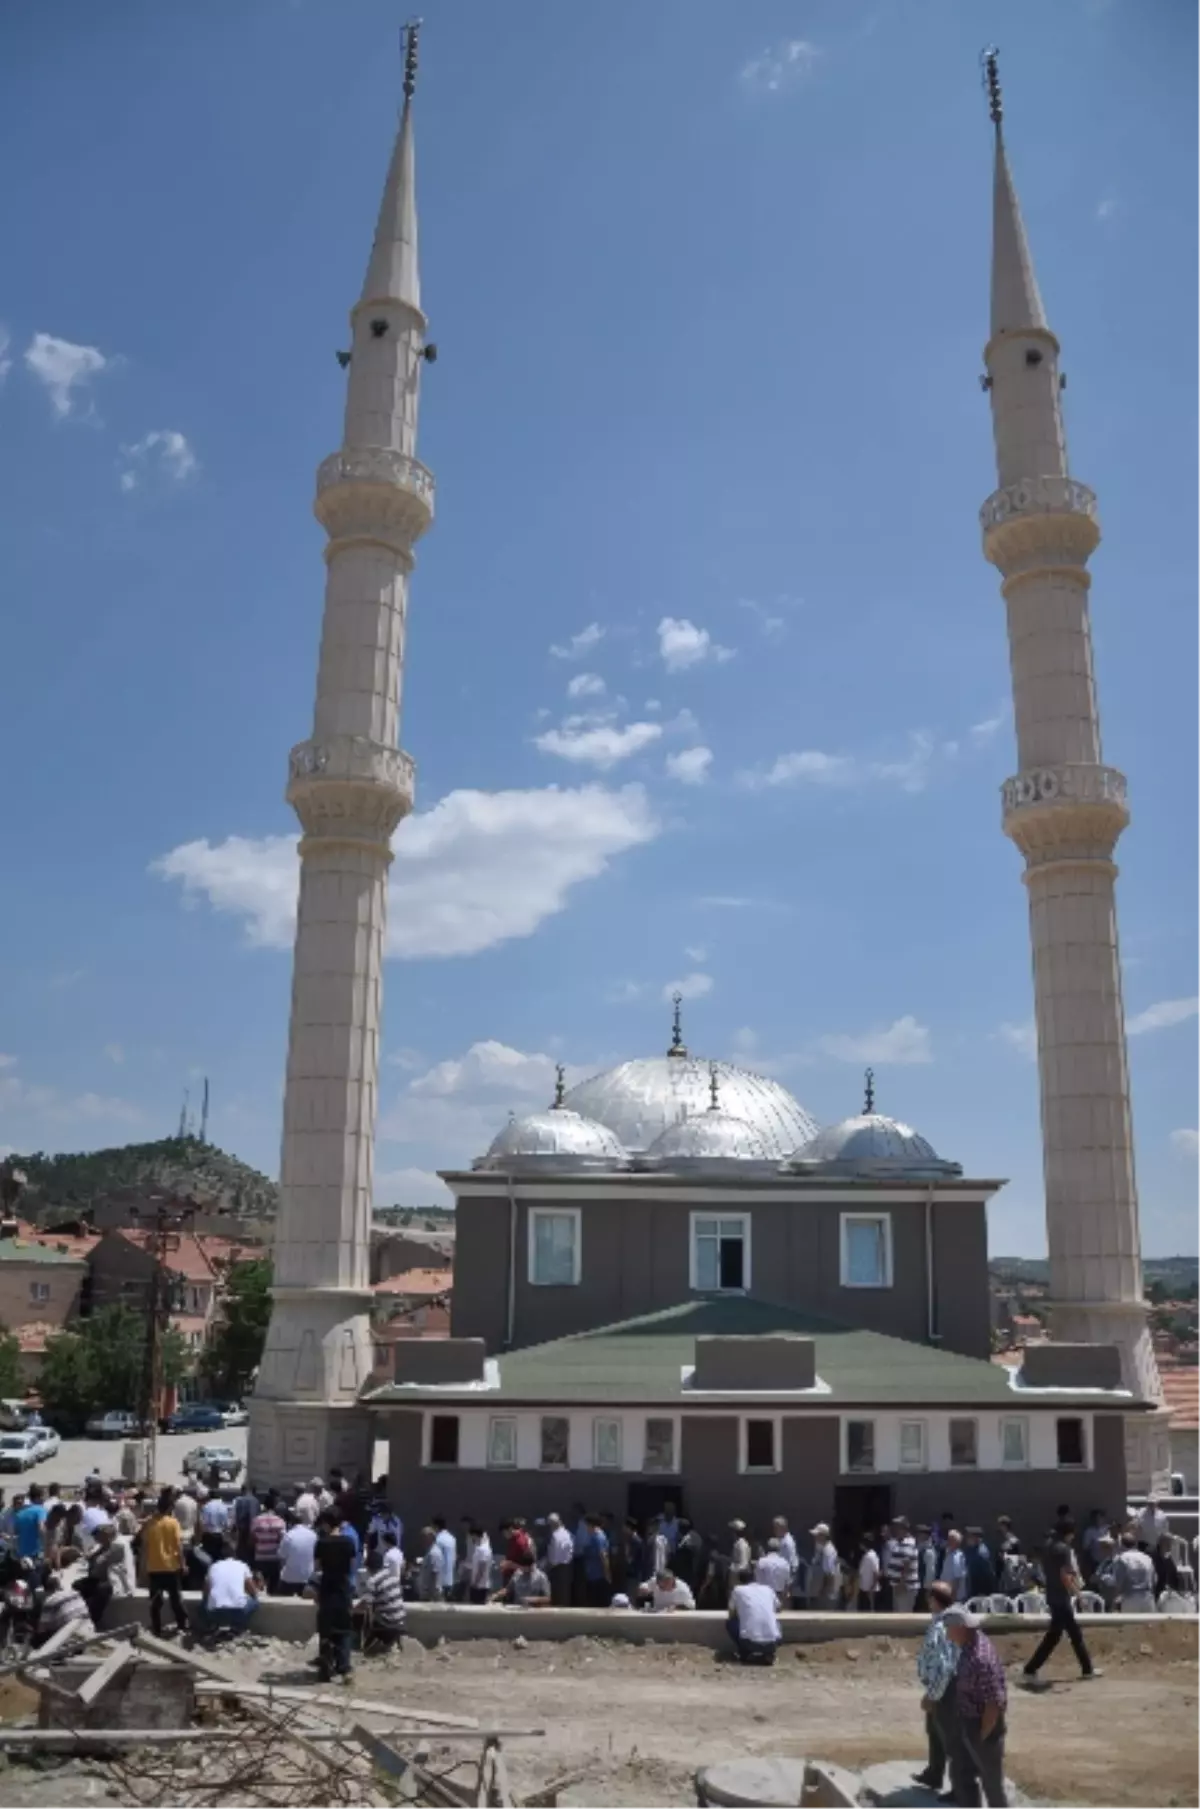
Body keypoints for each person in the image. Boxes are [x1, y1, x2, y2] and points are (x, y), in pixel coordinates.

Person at [943, 1606, 1008, 1809]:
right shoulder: (971, 1643)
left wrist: (981, 1736)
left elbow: (993, 1704)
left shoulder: (980, 1659)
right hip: (969, 1720)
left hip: (982, 1727)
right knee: (961, 1773)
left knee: (991, 1783)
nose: (945, 1632)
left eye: (948, 1628)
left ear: (960, 1628)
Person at [1022, 1519, 1097, 1683]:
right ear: (1068, 1533)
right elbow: (1065, 1575)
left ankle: (1087, 1668)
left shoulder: (1048, 1546)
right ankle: (1030, 1669)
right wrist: (1078, 1595)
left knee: (1063, 1634)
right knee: (1064, 1635)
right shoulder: (1063, 1549)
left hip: (1052, 1595)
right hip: (1062, 1597)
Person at [914, 1581, 959, 1799]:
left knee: (950, 1738)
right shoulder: (945, 1620)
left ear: (935, 1600)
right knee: (934, 1731)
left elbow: (945, 1667)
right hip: (942, 1687)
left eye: (930, 1596)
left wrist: (932, 1696)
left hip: (945, 1690)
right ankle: (934, 1773)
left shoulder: (943, 1626)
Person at [313, 1510, 357, 1682]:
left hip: (327, 1588)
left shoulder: (321, 1543)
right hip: (343, 1588)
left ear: (326, 1523)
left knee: (326, 1629)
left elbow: (317, 1568)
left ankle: (325, 1667)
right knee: (344, 1629)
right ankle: (344, 1667)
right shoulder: (349, 1542)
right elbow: (352, 1567)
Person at [144, 1489, 189, 1638]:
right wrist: (183, 1564)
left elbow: (145, 1546)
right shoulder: (173, 1523)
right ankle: (182, 1625)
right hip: (171, 1567)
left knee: (155, 1602)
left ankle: (156, 1629)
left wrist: (142, 1569)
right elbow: (178, 1546)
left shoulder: (149, 1523)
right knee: (176, 1600)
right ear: (170, 1508)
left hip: (154, 1567)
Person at [727, 1566, 781, 1665]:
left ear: (739, 1580)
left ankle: (744, 1653)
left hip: (749, 1642)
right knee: (775, 1622)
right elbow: (778, 1608)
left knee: (730, 1623)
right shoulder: (768, 1589)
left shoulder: (737, 1590)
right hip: (773, 1642)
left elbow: (731, 1613)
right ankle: (769, 1653)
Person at [354, 1548, 407, 1649]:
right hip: (401, 1621)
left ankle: (363, 1645)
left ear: (369, 1568)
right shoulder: (392, 1576)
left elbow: (365, 1605)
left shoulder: (373, 1581)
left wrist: (351, 1611)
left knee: (363, 1615)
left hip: (387, 1625)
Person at [33, 1573, 91, 1648]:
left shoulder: (50, 1601)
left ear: (46, 1590)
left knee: (36, 1639)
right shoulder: (74, 1593)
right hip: (88, 1629)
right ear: (59, 1586)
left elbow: (41, 1629)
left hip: (71, 1637)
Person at [249, 1491, 286, 1595]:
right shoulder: (280, 1521)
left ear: (264, 1506)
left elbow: (252, 1539)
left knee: (259, 1586)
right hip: (274, 1558)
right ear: (275, 1506)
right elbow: (282, 1540)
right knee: (273, 1588)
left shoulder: (256, 1521)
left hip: (260, 1557)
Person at [1112, 1531, 1156, 1612]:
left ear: (1121, 1545)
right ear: (1135, 1544)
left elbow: (1119, 1583)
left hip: (1130, 1597)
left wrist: (1114, 1603)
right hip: (1148, 1596)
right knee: (1148, 1624)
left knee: (1130, 1624)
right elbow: (1154, 1580)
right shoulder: (1147, 1558)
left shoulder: (1122, 1558)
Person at [278, 1513, 319, 1596]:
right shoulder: (313, 1535)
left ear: (291, 1524)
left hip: (289, 1579)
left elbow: (281, 1555)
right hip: (308, 1577)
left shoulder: (288, 1535)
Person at [884, 1518, 919, 1613]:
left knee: (904, 1616)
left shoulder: (909, 1543)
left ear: (904, 1529)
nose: (895, 1530)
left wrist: (901, 1584)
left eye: (897, 1528)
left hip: (905, 1587)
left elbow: (906, 1564)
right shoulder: (899, 1542)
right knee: (897, 1616)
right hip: (898, 1586)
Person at [806, 1524, 841, 1609]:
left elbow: (829, 1574)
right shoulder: (822, 1549)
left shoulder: (828, 1551)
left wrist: (823, 1593)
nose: (815, 1538)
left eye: (817, 1535)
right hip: (820, 1592)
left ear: (823, 1536)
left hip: (825, 1595)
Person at [545, 1512, 574, 1607]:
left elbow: (555, 1554)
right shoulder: (567, 1533)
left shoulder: (555, 1536)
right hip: (567, 1565)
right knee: (565, 1590)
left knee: (558, 1591)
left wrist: (550, 1565)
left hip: (557, 1567)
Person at [582, 1514, 611, 1608]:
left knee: (598, 1604)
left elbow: (603, 1556)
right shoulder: (593, 1536)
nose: (585, 1528)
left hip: (598, 1577)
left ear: (591, 1525)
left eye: (586, 1526)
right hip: (592, 1576)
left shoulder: (598, 1537)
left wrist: (607, 1575)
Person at [14, 1485, 46, 1561]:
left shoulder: (20, 1513)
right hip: (35, 1553)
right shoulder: (40, 1511)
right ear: (38, 1497)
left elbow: (16, 1533)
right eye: (43, 1496)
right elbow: (41, 1529)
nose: (44, 1499)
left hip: (21, 1554)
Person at [755, 1538, 792, 1606]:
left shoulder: (761, 1562)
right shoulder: (785, 1563)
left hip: (764, 1596)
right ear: (779, 1549)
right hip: (780, 1597)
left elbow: (758, 1582)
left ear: (767, 1548)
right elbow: (787, 1584)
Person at [964, 1528, 997, 1601]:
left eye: (969, 1537)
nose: (966, 1539)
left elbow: (987, 1573)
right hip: (973, 1586)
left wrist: (982, 1591)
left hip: (981, 1589)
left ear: (975, 1538)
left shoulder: (982, 1552)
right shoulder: (971, 1549)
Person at [417, 1526, 446, 1601]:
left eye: (424, 1537)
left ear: (431, 1537)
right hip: (427, 1594)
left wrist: (432, 1596)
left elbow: (435, 1574)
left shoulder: (434, 1553)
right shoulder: (429, 1552)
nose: (422, 1540)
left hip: (431, 1595)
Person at [431, 1517, 457, 1601]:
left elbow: (435, 1558)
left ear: (436, 1526)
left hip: (440, 1579)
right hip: (450, 1577)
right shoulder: (452, 1539)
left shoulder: (438, 1539)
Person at [940, 1529, 968, 1602]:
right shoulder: (948, 1554)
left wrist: (953, 1595)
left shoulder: (957, 1557)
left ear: (957, 1542)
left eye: (952, 1540)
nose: (949, 1542)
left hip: (954, 1596)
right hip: (947, 1593)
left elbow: (957, 1578)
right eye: (948, 1539)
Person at [468, 1526, 493, 1604]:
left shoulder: (483, 1549)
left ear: (475, 1535)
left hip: (480, 1586)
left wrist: (475, 1583)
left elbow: (482, 1567)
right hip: (478, 1584)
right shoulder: (479, 1547)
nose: (471, 1538)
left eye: (471, 1536)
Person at [856, 1535, 881, 1612]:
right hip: (863, 1588)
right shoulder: (866, 1555)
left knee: (869, 1611)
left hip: (869, 1590)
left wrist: (872, 1588)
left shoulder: (872, 1556)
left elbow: (876, 1573)